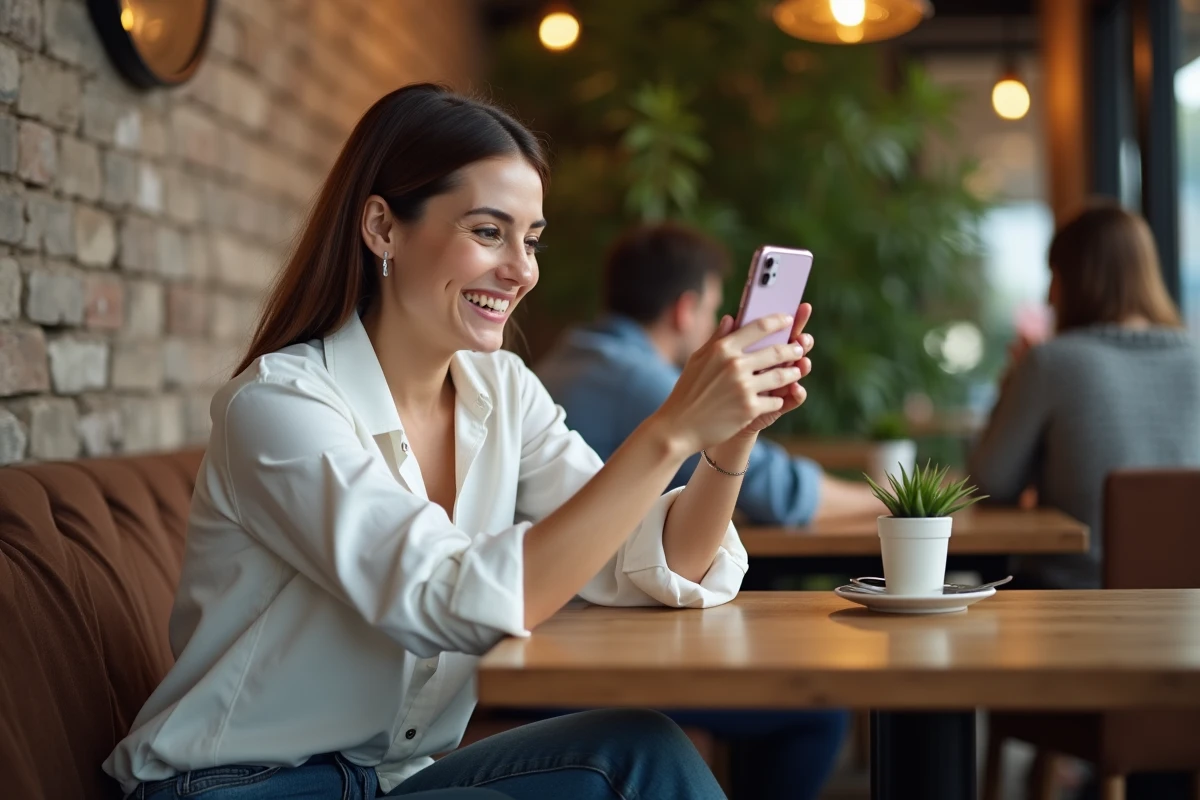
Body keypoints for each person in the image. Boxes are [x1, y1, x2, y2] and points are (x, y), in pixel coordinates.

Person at [103, 84, 819, 800]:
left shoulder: (502, 390)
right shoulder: (278, 407)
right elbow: (446, 600)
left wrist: (728, 441)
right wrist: (670, 431)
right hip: (235, 785)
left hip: (391, 780)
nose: (521, 269)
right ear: (382, 228)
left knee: (644, 752)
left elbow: (648, 558)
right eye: (488, 232)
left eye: (531, 240)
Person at [536, 222, 884, 525]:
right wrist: (884, 500)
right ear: (685, 310)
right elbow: (774, 491)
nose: (711, 323)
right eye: (712, 310)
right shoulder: (639, 381)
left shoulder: (562, 361)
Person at [968, 202, 1200, 589]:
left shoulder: (1051, 362)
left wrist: (1011, 383)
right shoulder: (1195, 359)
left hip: (1070, 593)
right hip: (1185, 606)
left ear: (1075, 279)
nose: (1047, 297)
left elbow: (988, 484)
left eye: (1053, 277)